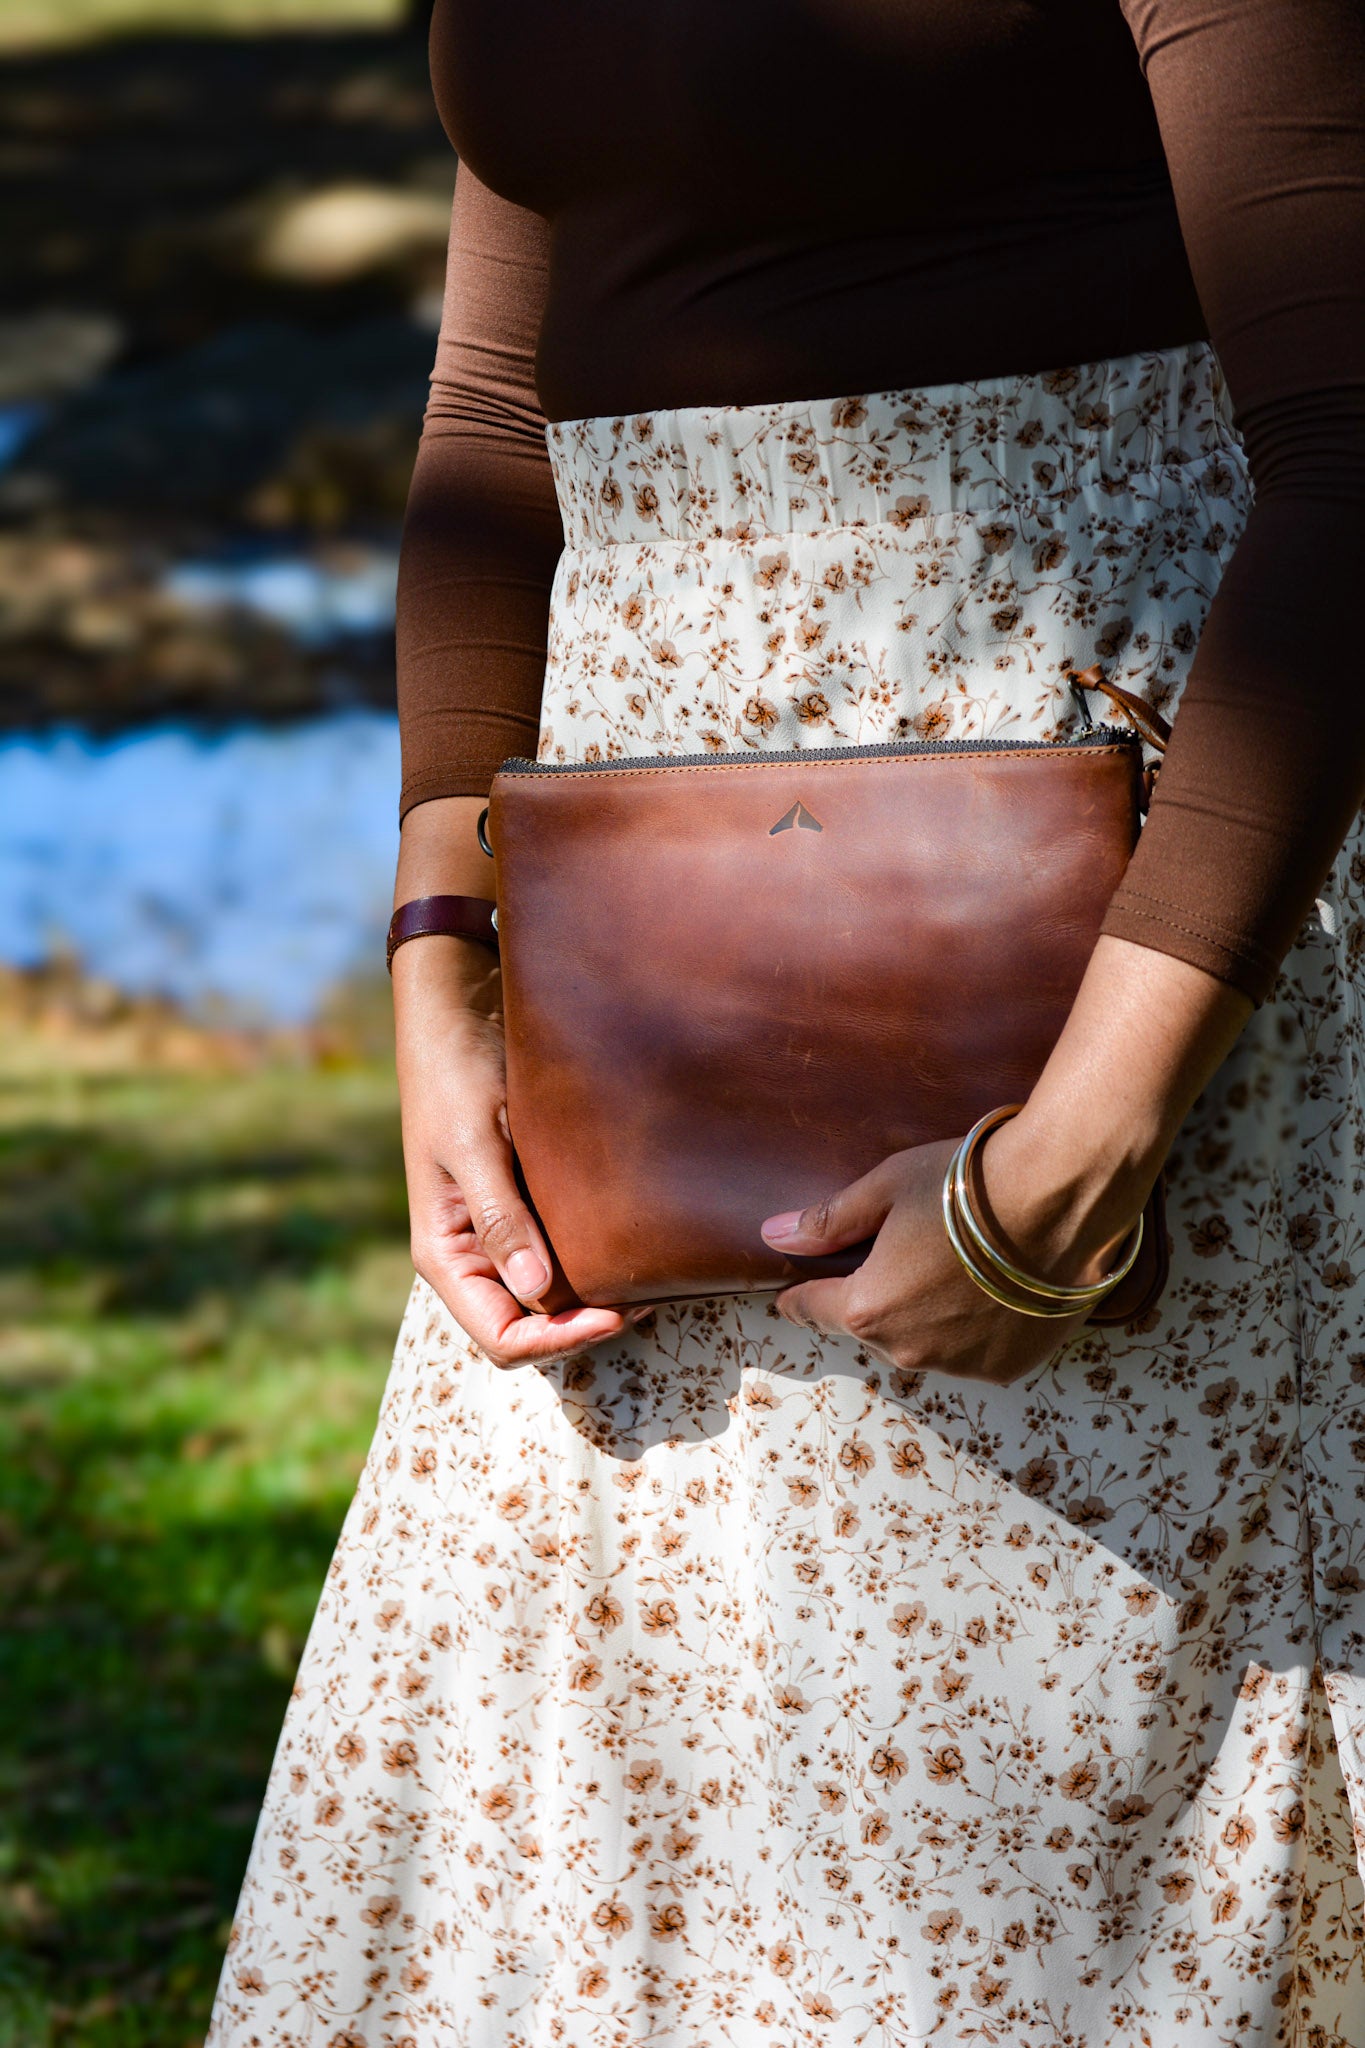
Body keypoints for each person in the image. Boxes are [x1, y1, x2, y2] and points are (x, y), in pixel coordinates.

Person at [208, 1, 1365, 2040]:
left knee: (1037, 1891)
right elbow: (492, 427)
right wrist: (437, 961)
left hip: (1090, 985)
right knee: (629, 1836)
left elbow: (1356, 453)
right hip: (633, 1016)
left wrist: (1072, 1161)